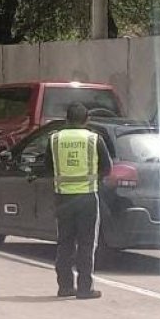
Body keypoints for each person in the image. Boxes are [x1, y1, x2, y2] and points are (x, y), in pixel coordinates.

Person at [51, 102, 105, 300]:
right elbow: (106, 167)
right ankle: (84, 288)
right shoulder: (94, 139)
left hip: (63, 198)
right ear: (86, 119)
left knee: (64, 243)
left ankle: (65, 286)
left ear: (66, 119)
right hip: (87, 198)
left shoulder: (55, 139)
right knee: (86, 244)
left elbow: (48, 165)